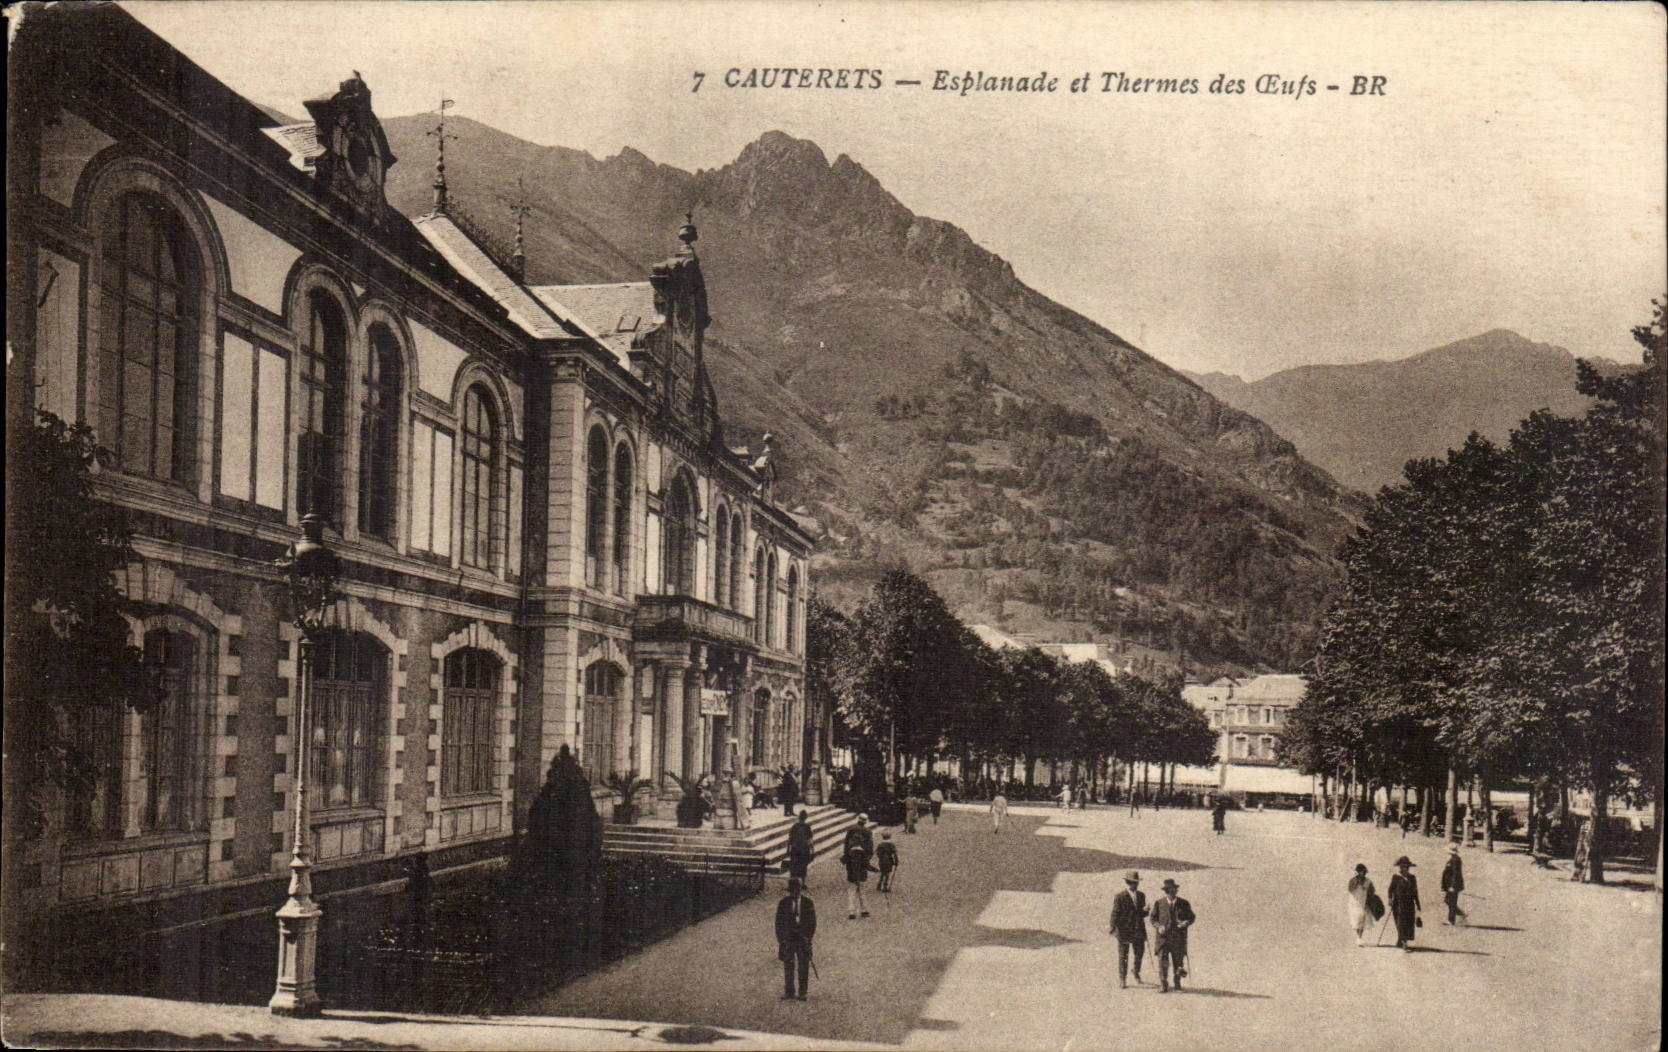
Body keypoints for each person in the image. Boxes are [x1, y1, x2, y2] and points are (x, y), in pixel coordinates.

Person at [1150, 878, 1195, 992]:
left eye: (1173, 890)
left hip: (1178, 938)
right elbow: (1153, 918)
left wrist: (1186, 922)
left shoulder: (1184, 903)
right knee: (1163, 962)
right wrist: (1158, 927)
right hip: (1163, 939)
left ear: (1176, 891)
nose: (1171, 893)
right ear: (1165, 892)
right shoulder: (1159, 903)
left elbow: (1192, 917)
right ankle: (1163, 984)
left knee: (1178, 961)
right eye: (1168, 891)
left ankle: (1177, 983)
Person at [775, 877, 817, 1000]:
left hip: (802, 939)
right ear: (789, 891)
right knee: (788, 965)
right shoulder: (783, 903)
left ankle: (802, 992)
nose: (795, 893)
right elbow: (778, 923)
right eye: (792, 891)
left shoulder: (808, 903)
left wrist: (808, 938)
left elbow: (812, 923)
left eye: (797, 890)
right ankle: (789, 992)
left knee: (803, 965)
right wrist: (781, 940)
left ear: (800, 890)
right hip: (788, 939)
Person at [1108, 870, 1149, 988]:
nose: (1134, 885)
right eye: (1131, 882)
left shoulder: (1141, 895)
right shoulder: (1120, 896)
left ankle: (1135, 971)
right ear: (1127, 883)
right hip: (1123, 930)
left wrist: (1145, 911)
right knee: (1123, 956)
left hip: (1138, 930)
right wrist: (1112, 926)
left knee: (1139, 953)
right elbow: (1115, 913)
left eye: (1136, 882)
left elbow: (1141, 914)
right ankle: (1122, 979)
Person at [1387, 855, 1421, 952]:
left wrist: (1418, 904)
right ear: (1400, 868)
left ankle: (1400, 940)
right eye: (1402, 867)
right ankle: (1404, 943)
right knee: (1401, 922)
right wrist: (1390, 899)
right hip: (1398, 904)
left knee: (1409, 923)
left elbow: (1415, 891)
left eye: (1406, 867)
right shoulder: (1396, 877)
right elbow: (1390, 889)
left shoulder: (1412, 878)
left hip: (1409, 904)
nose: (1404, 869)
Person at [842, 826, 876, 918]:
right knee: (862, 892)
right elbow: (866, 865)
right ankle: (864, 910)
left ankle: (851, 912)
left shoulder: (850, 853)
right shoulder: (863, 853)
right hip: (862, 876)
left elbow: (843, 861)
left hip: (851, 876)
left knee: (851, 893)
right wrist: (875, 870)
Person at [1346, 863, 1379, 947]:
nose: (1362, 873)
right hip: (1354, 903)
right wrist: (1357, 882)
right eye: (1360, 872)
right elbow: (1350, 889)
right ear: (1357, 872)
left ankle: (1359, 937)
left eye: (1364, 872)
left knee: (1362, 918)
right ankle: (1358, 937)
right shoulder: (1353, 880)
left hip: (1363, 902)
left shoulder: (1368, 881)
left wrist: (1369, 899)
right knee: (1357, 920)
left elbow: (1372, 891)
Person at [1440, 843, 1467, 926]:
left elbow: (1456, 874)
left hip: (1454, 885)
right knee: (1448, 900)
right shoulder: (1452, 859)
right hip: (1449, 885)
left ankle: (1451, 920)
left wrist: (1452, 886)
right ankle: (1461, 914)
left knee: (1451, 902)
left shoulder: (1455, 860)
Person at [786, 807, 814, 881]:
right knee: (803, 866)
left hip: (795, 849)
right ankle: (803, 883)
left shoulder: (795, 826)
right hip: (804, 849)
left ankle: (792, 881)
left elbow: (790, 838)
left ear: (799, 817)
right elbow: (810, 839)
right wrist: (812, 849)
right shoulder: (807, 827)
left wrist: (788, 848)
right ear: (806, 818)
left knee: (794, 865)